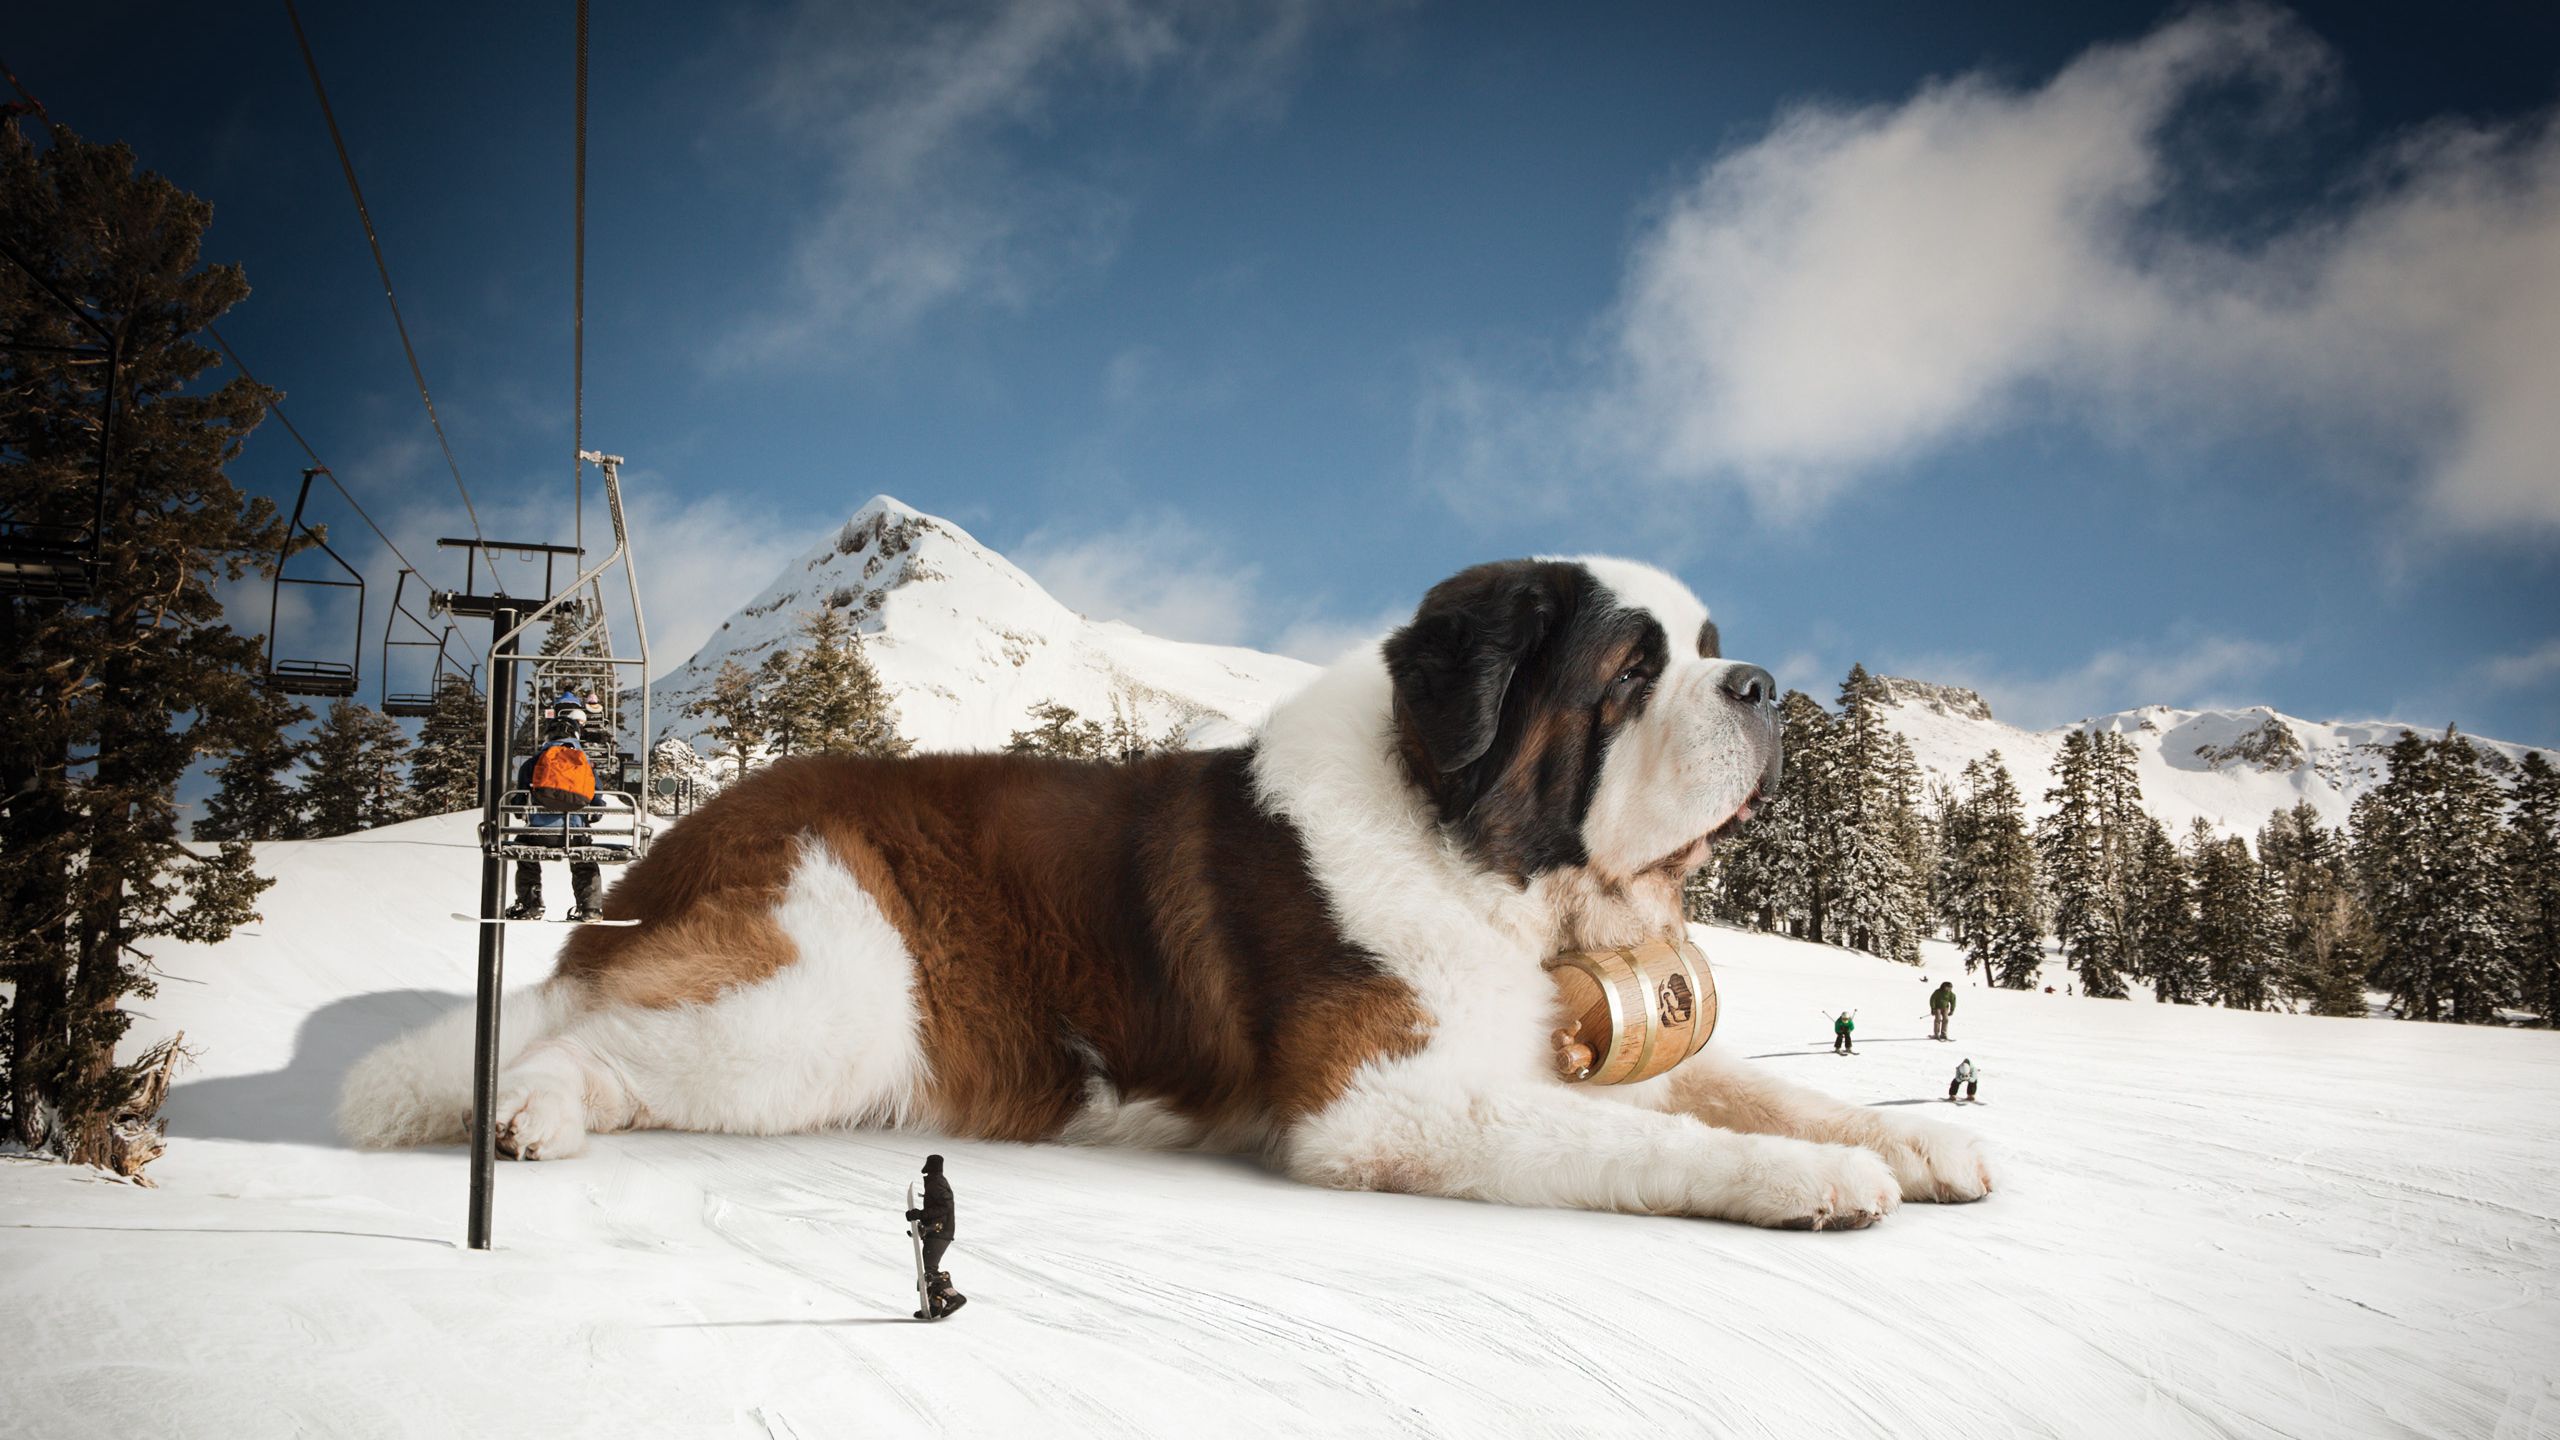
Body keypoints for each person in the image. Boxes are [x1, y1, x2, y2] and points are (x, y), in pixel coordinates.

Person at [503, 694, 604, 922]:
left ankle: (530, 904)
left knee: (523, 849)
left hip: (540, 835)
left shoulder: (533, 762)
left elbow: (519, 806)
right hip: (575, 835)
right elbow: (596, 805)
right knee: (584, 858)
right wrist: (589, 817)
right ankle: (590, 908)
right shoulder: (584, 762)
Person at [905, 1153, 967, 1318]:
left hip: (940, 1231)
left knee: (930, 1271)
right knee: (929, 1268)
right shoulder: (936, 1181)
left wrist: (921, 1214)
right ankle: (935, 1304)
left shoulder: (936, 1183)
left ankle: (954, 1297)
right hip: (937, 1231)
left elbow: (946, 1206)